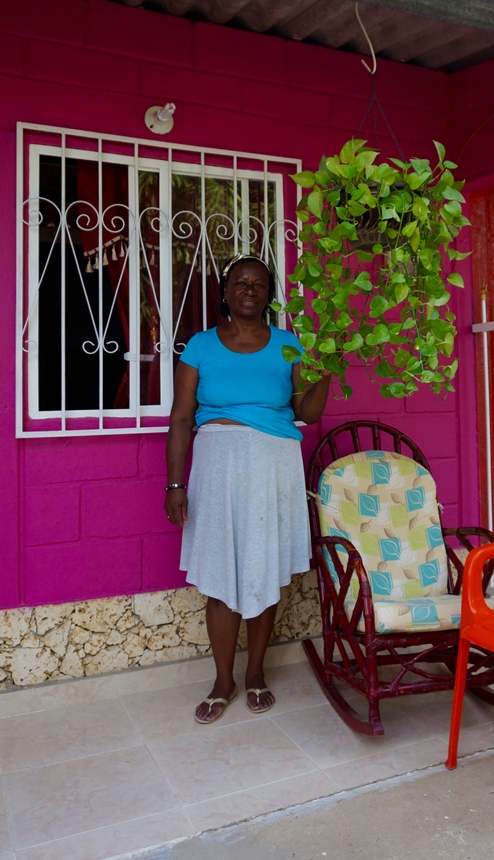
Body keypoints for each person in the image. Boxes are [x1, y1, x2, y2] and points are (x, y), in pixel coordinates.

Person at [164, 254, 331, 723]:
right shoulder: (200, 345)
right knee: (220, 574)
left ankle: (256, 674)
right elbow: (180, 418)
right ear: (226, 291)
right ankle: (223, 681)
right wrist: (175, 483)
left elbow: (309, 412)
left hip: (274, 468)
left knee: (262, 568)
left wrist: (326, 371)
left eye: (259, 283)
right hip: (218, 468)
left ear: (268, 292)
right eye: (241, 282)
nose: (250, 289)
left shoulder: (288, 345)